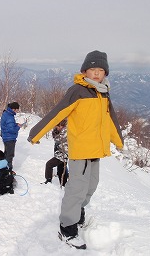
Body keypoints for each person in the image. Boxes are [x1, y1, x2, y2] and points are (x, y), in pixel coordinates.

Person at [28, 51, 123, 250]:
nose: (96, 74)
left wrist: (118, 141)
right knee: (76, 188)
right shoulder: (77, 91)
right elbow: (57, 112)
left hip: (96, 150)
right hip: (80, 150)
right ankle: (67, 228)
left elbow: (111, 119)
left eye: (100, 70)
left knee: (91, 186)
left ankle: (78, 215)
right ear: (84, 71)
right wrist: (36, 133)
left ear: (105, 73)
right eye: (92, 69)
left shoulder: (102, 92)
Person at [43, 119, 69, 186]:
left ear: (61, 125)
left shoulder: (66, 131)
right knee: (61, 170)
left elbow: (59, 139)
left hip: (62, 155)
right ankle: (64, 184)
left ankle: (48, 180)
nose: (56, 128)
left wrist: (55, 133)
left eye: (57, 127)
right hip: (61, 154)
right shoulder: (62, 130)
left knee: (49, 164)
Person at [0, 102, 23, 172]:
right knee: (10, 155)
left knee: (6, 153)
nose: (17, 111)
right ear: (14, 109)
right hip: (9, 138)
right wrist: (18, 127)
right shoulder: (10, 116)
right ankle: (8, 170)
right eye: (16, 110)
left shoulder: (6, 113)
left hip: (6, 137)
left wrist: (15, 124)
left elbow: (8, 125)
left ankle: (3, 167)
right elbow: (11, 129)